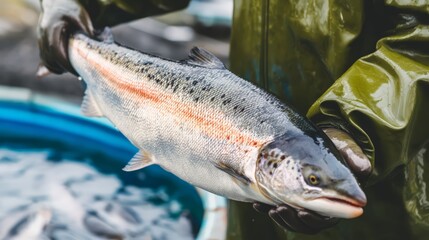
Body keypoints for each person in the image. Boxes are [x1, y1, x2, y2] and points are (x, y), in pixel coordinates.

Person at [37, 0, 429, 239]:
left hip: (383, 190)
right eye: (310, 180)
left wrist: (355, 131)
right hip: (255, 204)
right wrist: (84, 1)